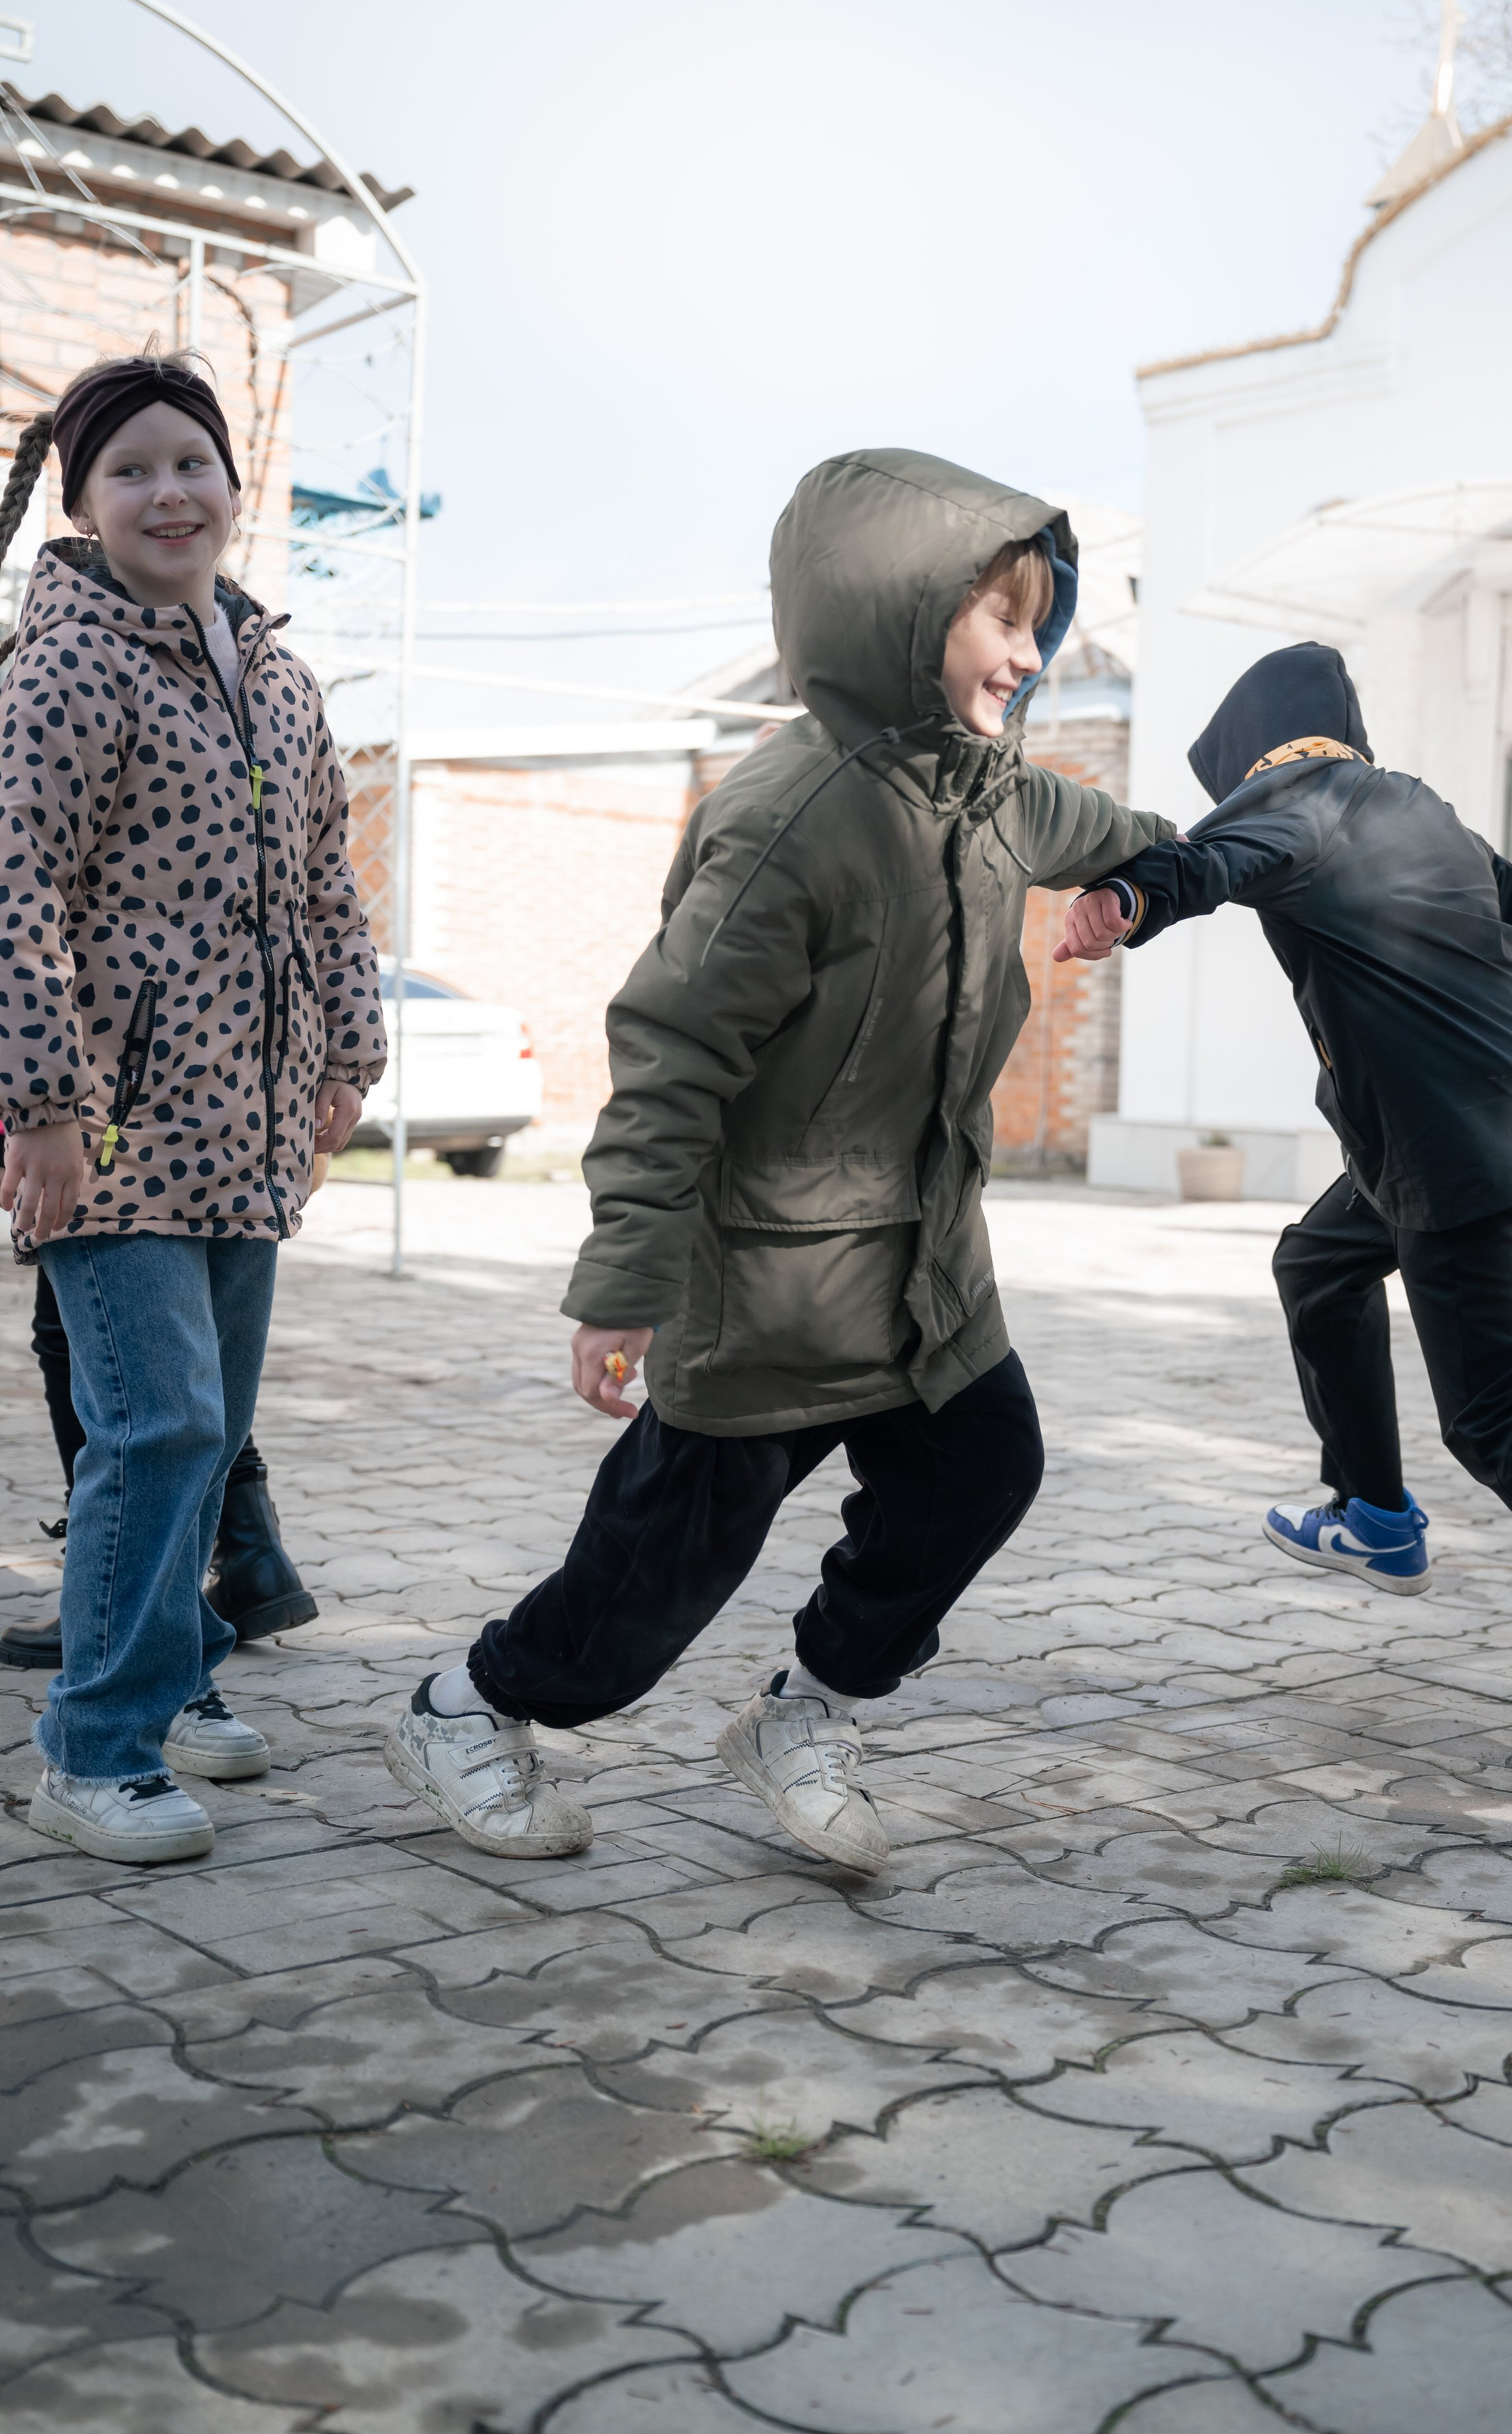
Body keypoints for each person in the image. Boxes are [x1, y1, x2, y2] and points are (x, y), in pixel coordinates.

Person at [384, 449, 1176, 1872]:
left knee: (982, 1470)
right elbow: (671, 1060)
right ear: (888, 611)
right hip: (765, 1299)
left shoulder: (995, 796)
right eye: (996, 615)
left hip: (924, 1283)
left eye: (1035, 619)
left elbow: (1135, 839)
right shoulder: (783, 824)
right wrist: (621, 1281)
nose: (1025, 650)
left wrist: (1194, 871)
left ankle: (804, 1712)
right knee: (639, 1600)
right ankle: (467, 1705)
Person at [1057, 640, 1512, 1804]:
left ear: (1254, 755)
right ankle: (1375, 1512)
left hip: (1436, 1142)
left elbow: (1210, 860)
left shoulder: (1286, 809)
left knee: (1495, 1419)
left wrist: (1124, 896)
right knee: (1315, 1265)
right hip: (1473, 1118)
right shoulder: (1418, 808)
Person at [0, 354, 384, 1863]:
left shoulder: (276, 673)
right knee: (155, 1423)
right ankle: (95, 1746)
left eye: (192, 463)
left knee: (205, 1435)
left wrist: (349, 1052)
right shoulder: (63, 666)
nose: (169, 492)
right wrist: (39, 1104)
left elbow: (325, 885)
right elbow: (13, 889)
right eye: (130, 472)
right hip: (107, 1125)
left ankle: (173, 1673)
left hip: (252, 1121)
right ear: (87, 511)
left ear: (235, 485)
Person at [0, 1263, 317, 1667]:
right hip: (237, 1204)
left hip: (114, 1203)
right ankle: (252, 1549)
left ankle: (110, 1607)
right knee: (194, 1333)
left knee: (80, 1326)